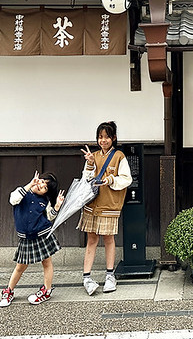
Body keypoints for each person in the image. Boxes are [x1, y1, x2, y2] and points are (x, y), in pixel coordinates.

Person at [79, 121, 132, 295]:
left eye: (107, 137)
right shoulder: (93, 155)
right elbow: (86, 180)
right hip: (91, 205)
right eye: (100, 137)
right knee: (91, 240)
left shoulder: (119, 156)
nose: (103, 140)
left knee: (108, 239)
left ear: (114, 138)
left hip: (109, 205)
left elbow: (126, 179)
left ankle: (110, 276)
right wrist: (89, 164)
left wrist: (111, 180)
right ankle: (87, 277)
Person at [0, 171, 65, 307]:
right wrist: (30, 184)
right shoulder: (22, 192)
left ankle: (47, 291)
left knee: (47, 263)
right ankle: (9, 291)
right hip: (26, 238)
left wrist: (56, 207)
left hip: (42, 234)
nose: (41, 185)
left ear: (46, 193)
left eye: (45, 187)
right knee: (20, 267)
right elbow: (13, 199)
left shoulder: (44, 201)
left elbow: (49, 217)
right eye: (41, 181)